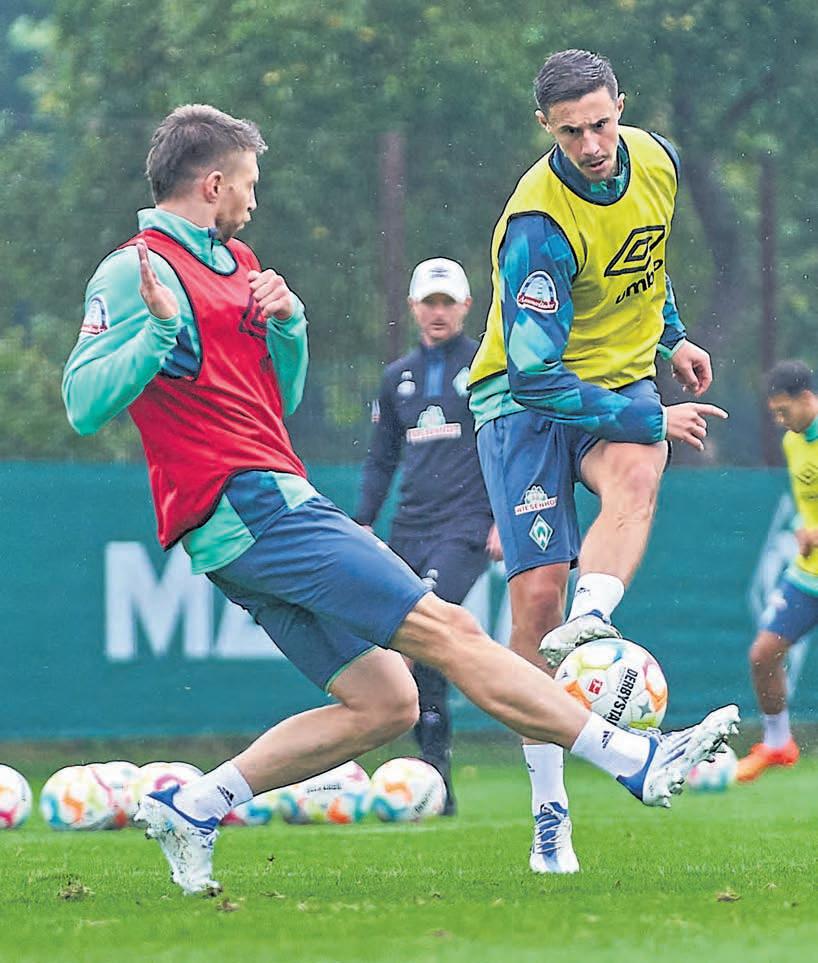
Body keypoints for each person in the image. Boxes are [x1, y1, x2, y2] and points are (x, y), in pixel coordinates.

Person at [62, 103, 737, 896]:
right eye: (247, 182)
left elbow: (280, 397)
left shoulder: (237, 261)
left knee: (386, 703)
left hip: (247, 516)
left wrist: (290, 324)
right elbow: (83, 402)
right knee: (451, 629)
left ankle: (193, 806)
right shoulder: (135, 270)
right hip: (254, 505)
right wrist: (154, 332)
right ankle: (636, 760)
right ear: (213, 184)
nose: (254, 197)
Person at [468, 49, 729, 873]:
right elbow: (536, 376)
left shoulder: (658, 160)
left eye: (601, 124)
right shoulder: (537, 226)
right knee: (535, 599)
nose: (590, 145)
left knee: (642, 467)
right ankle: (550, 810)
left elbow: (644, 264)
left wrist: (671, 336)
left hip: (614, 378)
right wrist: (650, 411)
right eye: (571, 132)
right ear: (545, 127)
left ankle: (594, 618)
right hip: (522, 403)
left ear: (622, 104)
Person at [354, 258, 501, 814]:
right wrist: (363, 523)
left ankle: (434, 772)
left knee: (427, 629)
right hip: (409, 529)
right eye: (429, 302)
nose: (438, 312)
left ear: (466, 307)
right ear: (414, 308)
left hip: (465, 527)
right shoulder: (398, 377)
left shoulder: (486, 366)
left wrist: (502, 519)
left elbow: (506, 444)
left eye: (448, 302)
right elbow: (381, 459)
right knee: (412, 644)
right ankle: (433, 779)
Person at [736, 361, 816, 782]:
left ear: (807, 398)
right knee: (763, 654)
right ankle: (778, 743)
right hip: (807, 576)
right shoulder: (792, 443)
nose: (781, 421)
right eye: (775, 413)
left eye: (784, 410)